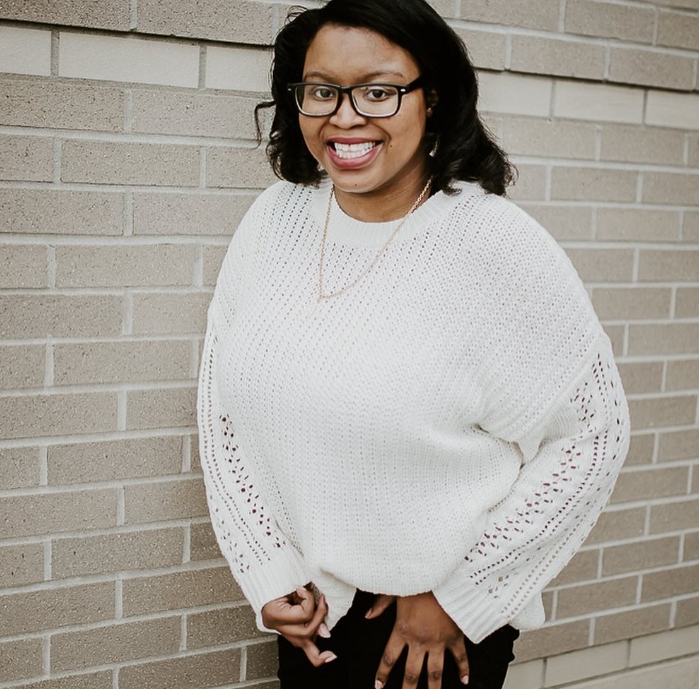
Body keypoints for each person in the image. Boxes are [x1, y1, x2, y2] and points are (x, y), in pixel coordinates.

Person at [196, 0, 631, 687]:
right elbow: (225, 402)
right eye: (321, 91)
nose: (344, 116)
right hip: (312, 613)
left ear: (433, 99)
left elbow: (591, 435)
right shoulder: (273, 219)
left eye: (377, 90)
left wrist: (455, 598)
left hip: (427, 637)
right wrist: (266, 564)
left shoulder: (494, 245)